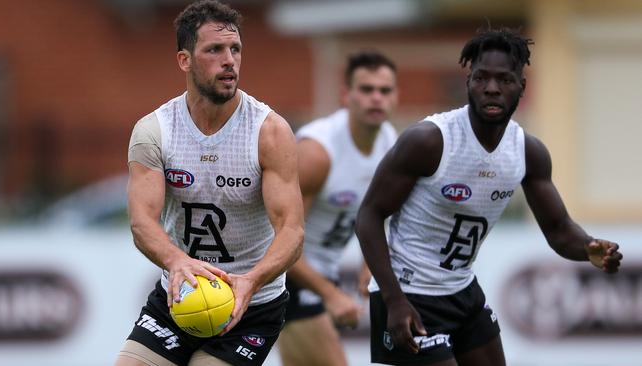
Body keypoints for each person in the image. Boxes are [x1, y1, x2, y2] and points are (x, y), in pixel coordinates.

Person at [355, 27, 623, 366]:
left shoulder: (527, 152)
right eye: (481, 78)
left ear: (522, 87)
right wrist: (393, 300)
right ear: (468, 82)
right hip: (409, 295)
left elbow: (558, 230)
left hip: (462, 292)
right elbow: (369, 214)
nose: (492, 89)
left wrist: (588, 248)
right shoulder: (429, 141)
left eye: (504, 80)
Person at [115, 1, 304, 365]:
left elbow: (292, 231)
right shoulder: (154, 131)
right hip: (183, 296)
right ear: (185, 60)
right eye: (214, 50)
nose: (229, 60)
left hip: (253, 304)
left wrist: (252, 279)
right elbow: (142, 223)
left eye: (235, 49)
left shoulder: (269, 131)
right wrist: (177, 261)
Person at [276, 51, 399, 366]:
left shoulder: (389, 142)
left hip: (320, 275)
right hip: (283, 275)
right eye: (366, 89)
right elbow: (274, 238)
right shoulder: (318, 152)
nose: (376, 99)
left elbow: (376, 212)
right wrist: (329, 295)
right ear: (347, 95)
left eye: (384, 91)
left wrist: (368, 264)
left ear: (395, 97)